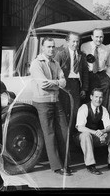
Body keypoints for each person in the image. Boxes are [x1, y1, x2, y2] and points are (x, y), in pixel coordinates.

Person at [30, 37, 72, 176]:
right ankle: (56, 166)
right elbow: (43, 84)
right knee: (50, 134)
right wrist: (57, 83)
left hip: (56, 100)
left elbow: (64, 82)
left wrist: (54, 83)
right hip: (42, 102)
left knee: (64, 131)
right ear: (42, 47)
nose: (51, 49)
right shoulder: (36, 63)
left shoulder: (55, 63)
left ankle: (66, 163)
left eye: (53, 46)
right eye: (48, 47)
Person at [75, 88, 110, 175]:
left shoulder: (103, 109)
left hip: (97, 135)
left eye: (100, 97)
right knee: (86, 135)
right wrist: (95, 132)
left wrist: (103, 131)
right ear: (91, 97)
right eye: (96, 97)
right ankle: (90, 165)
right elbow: (80, 127)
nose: (98, 100)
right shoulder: (84, 108)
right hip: (82, 137)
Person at [54, 32, 89, 137]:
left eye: (77, 41)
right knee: (64, 111)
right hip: (64, 85)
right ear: (67, 42)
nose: (75, 44)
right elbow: (54, 69)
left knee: (75, 111)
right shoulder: (61, 54)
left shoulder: (81, 55)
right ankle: (64, 137)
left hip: (76, 85)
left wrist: (84, 88)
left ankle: (72, 137)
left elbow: (85, 73)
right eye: (73, 41)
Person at [81, 28, 110, 108]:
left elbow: (108, 64)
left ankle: (101, 117)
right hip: (89, 75)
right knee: (89, 99)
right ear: (92, 37)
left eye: (101, 37)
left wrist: (107, 77)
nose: (99, 39)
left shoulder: (106, 49)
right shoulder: (84, 46)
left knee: (103, 99)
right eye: (97, 37)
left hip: (102, 76)